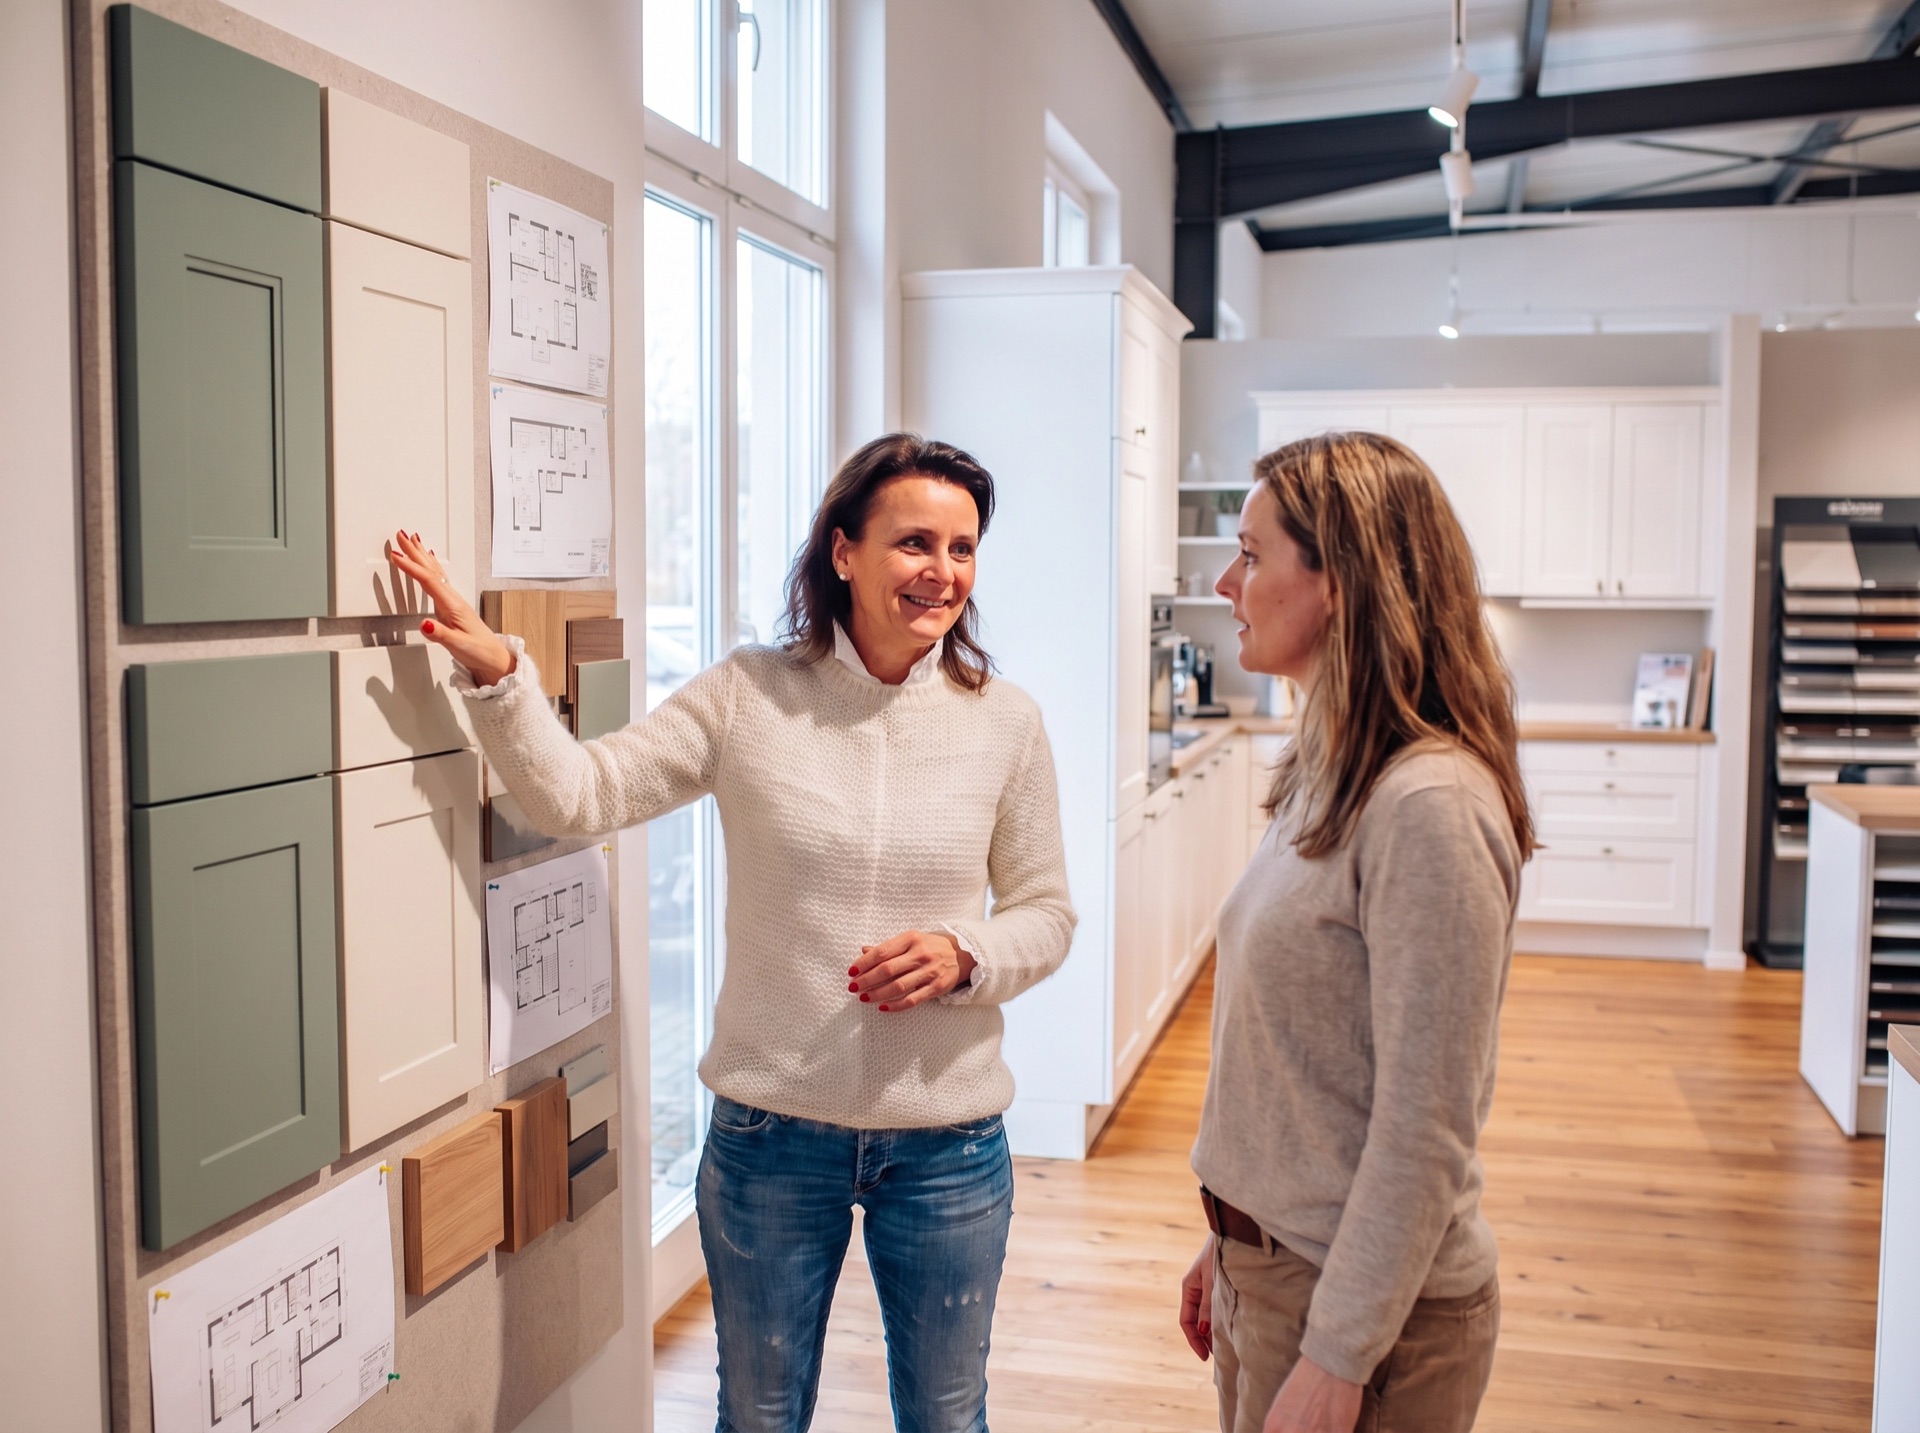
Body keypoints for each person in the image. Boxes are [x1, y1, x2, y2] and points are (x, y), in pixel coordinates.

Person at [390, 433, 1076, 1433]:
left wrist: (968, 953)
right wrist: (501, 674)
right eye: (914, 542)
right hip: (770, 1132)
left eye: (962, 548)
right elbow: (583, 793)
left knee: (946, 1412)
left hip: (948, 1141)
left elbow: (1046, 914)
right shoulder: (747, 694)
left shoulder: (1006, 722)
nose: (942, 572)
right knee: (756, 1415)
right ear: (843, 550)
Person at [1176, 431, 1534, 1433]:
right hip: (1280, 1272)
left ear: (1340, 580)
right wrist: (1231, 1236)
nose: (1225, 579)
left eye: (1251, 553)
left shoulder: (1428, 805)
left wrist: (1338, 1352)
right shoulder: (1326, 769)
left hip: (1368, 1318)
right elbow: (1309, 1062)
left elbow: (1426, 1127)